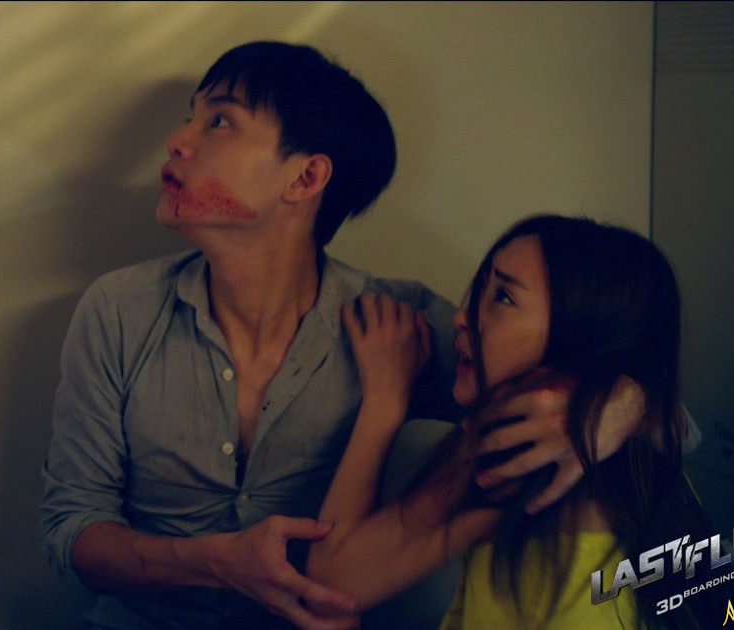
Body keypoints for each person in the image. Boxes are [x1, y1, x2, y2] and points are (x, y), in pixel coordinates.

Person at [40, 42, 645, 630]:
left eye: (219, 121)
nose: (178, 140)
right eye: (190, 118)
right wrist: (215, 563)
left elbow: (663, 422)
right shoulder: (119, 310)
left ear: (306, 177)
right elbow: (73, 531)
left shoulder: (397, 325)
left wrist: (614, 405)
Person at [307, 214, 734, 629]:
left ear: (579, 338)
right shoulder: (515, 451)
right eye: (482, 289)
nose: (461, 317)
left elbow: (333, 580)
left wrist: (384, 398)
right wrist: (385, 398)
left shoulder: (549, 506)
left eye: (504, 298)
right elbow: (336, 578)